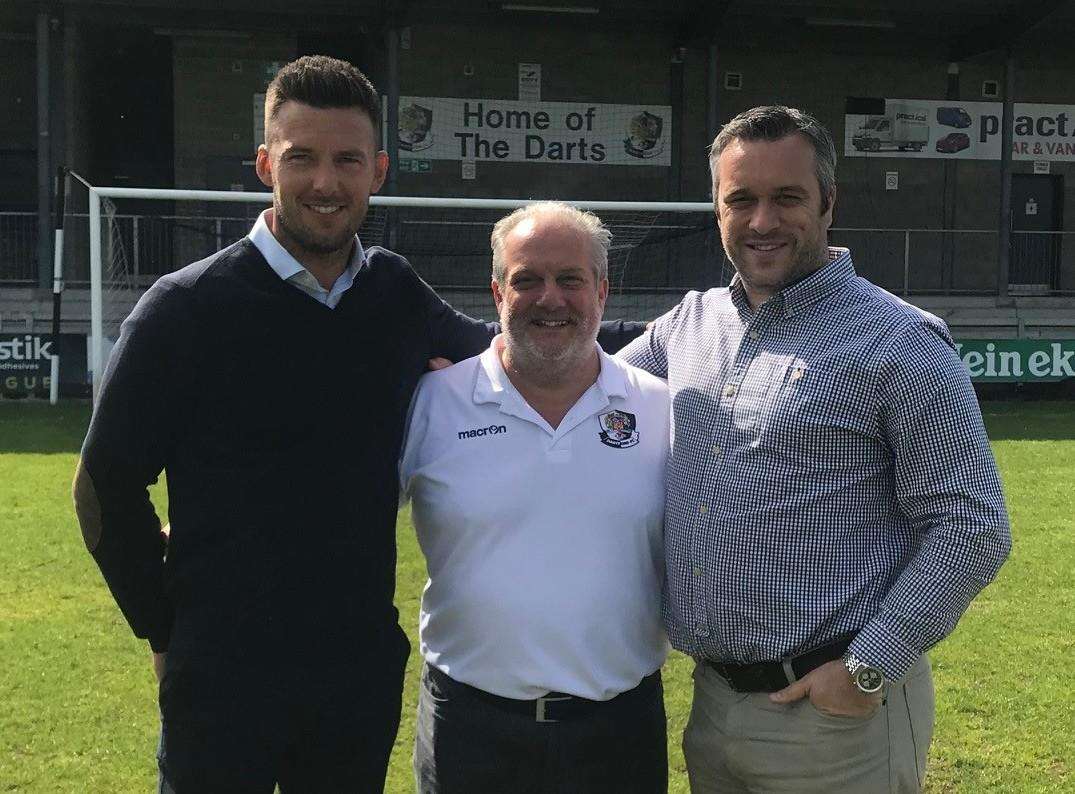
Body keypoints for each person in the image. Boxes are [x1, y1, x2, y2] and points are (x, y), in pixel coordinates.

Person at [617, 105, 1011, 793]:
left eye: (786, 198)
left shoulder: (898, 343)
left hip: (836, 718)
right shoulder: (685, 326)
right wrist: (478, 365)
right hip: (713, 707)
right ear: (715, 209)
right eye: (740, 199)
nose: (761, 221)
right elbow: (581, 393)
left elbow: (971, 527)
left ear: (828, 201)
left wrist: (866, 668)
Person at [401, 202, 671, 793]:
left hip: (618, 730)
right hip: (470, 729)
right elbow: (342, 514)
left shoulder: (660, 407)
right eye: (527, 279)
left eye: (570, 279)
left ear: (602, 290)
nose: (551, 298)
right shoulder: (434, 401)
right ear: (497, 292)